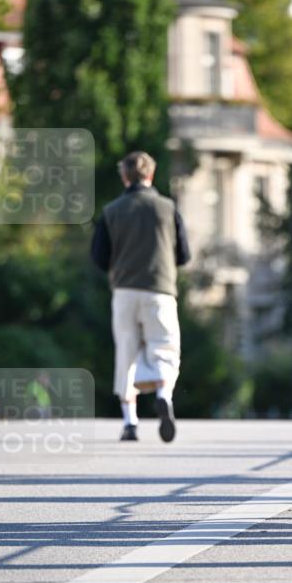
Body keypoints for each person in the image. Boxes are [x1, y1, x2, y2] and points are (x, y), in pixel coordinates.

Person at [91, 151, 190, 442]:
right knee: (165, 347)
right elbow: (184, 255)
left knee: (126, 352)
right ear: (152, 175)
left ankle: (130, 422)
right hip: (160, 290)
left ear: (124, 176)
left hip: (124, 291)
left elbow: (98, 257)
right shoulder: (167, 207)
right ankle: (163, 396)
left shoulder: (112, 211)